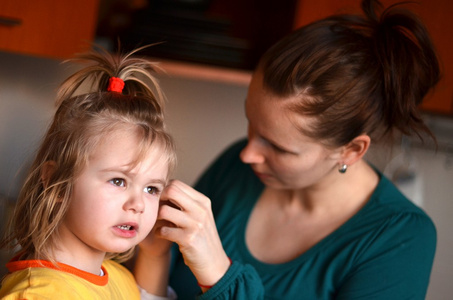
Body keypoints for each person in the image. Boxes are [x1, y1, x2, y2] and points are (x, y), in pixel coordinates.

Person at [134, 0, 440, 299]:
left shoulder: (399, 238)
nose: (248, 154)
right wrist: (154, 254)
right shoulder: (235, 168)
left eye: (278, 148)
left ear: (351, 150)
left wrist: (220, 277)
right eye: (251, 123)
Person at [0, 46, 177, 299]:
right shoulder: (40, 294)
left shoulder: (119, 278)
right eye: (118, 180)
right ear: (57, 181)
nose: (138, 205)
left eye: (151, 189)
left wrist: (157, 254)